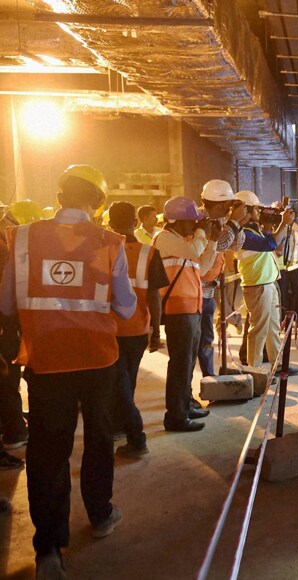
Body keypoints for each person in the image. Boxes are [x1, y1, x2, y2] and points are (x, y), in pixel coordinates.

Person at [0, 164, 136, 578]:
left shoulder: (22, 238)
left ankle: (49, 551)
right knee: (98, 440)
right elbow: (127, 307)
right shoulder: (110, 243)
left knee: (48, 452)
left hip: (46, 362)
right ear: (98, 202)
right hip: (97, 360)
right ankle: (100, 515)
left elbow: (6, 305)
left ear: (59, 196)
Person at [107, 202, 169, 457]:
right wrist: (156, 328)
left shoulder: (103, 250)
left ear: (110, 224)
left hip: (108, 329)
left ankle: (124, 428)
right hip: (137, 328)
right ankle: (124, 428)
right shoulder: (149, 253)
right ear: (135, 222)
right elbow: (154, 295)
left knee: (116, 382)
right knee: (127, 379)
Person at [152, 197, 219, 432]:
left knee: (188, 363)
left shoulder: (183, 241)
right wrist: (202, 234)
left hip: (192, 307)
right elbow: (192, 250)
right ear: (177, 221)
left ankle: (186, 404)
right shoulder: (165, 238)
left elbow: (204, 266)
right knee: (180, 363)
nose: (195, 226)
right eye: (192, 222)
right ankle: (176, 416)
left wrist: (212, 241)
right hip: (177, 309)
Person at [234, 190, 298, 373]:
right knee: (259, 329)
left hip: (267, 283)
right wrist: (283, 223)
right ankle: (253, 370)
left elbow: (275, 245)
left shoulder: (256, 230)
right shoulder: (243, 234)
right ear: (246, 211)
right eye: (256, 208)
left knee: (273, 327)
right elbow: (268, 245)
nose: (259, 212)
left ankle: (276, 363)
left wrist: (282, 225)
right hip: (257, 285)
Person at [197, 180, 247, 377]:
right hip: (196, 291)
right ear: (218, 205)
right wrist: (234, 222)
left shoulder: (220, 220)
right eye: (228, 205)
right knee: (198, 341)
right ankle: (208, 380)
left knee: (206, 338)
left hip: (209, 290)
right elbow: (220, 245)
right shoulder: (200, 221)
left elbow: (235, 245)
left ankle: (210, 379)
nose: (230, 209)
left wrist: (239, 224)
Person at [0, 206, 27, 468]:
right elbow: (6, 303)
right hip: (4, 328)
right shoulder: (3, 252)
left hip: (7, 326)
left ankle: (14, 426)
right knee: (6, 382)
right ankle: (14, 432)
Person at [278, 214, 298, 326]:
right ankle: (283, 320)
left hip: (296, 269)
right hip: (282, 270)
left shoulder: (297, 234)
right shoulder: (277, 234)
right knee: (282, 295)